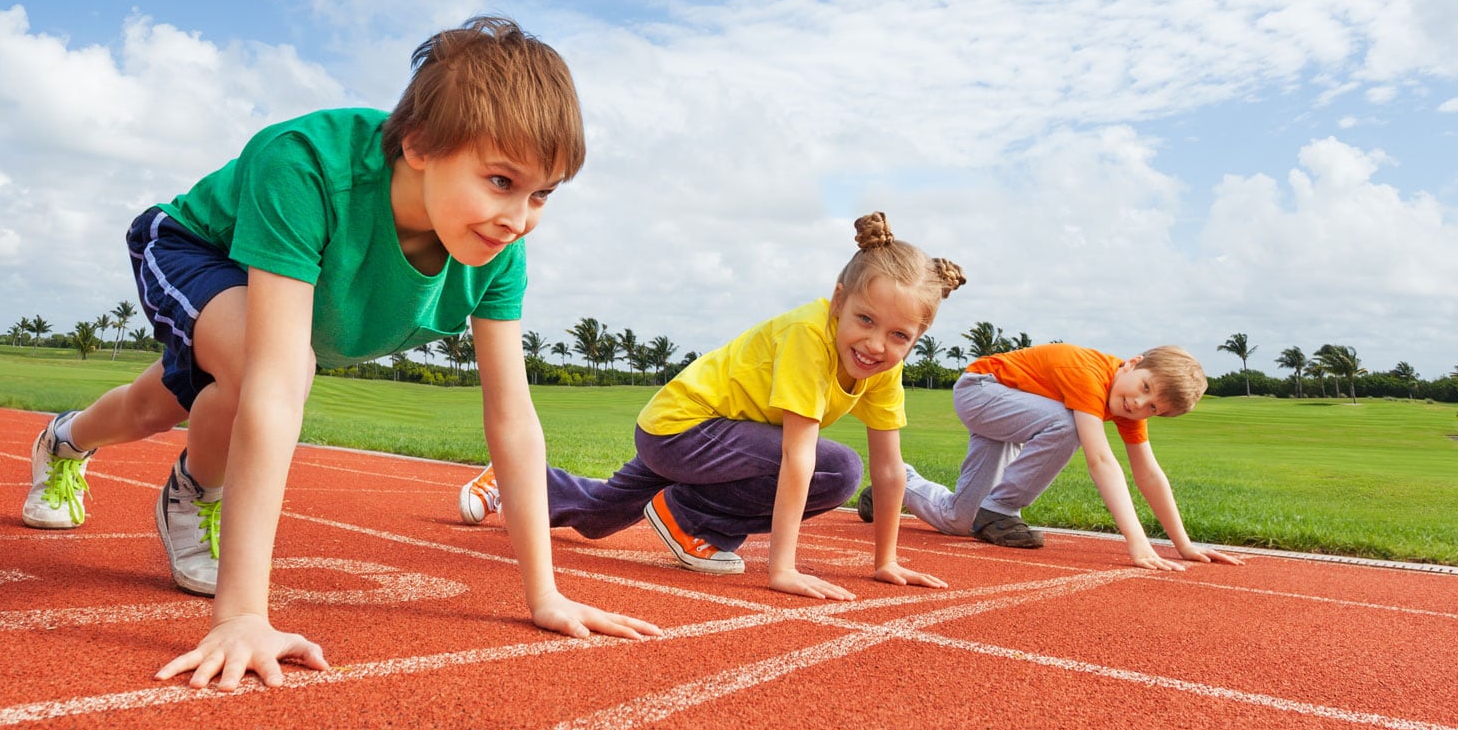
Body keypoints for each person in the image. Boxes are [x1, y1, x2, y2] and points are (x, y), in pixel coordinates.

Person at [20, 16, 660, 689]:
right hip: (194, 246)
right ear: (418, 145)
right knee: (274, 372)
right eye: (501, 180)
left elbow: (512, 419)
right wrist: (242, 615)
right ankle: (193, 496)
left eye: (542, 195)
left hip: (278, 319)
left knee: (154, 406)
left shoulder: (498, 250)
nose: (520, 217)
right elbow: (271, 384)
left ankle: (64, 441)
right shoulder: (303, 167)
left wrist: (545, 596)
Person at [459, 213, 964, 601]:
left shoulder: (883, 366)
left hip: (716, 440)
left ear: (917, 336)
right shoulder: (810, 335)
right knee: (838, 470)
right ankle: (690, 519)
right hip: (685, 429)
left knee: (599, 515)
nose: (876, 344)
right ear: (837, 302)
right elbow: (798, 456)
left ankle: (511, 479)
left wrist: (887, 560)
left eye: (899, 335)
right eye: (865, 319)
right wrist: (781, 569)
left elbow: (892, 469)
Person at [867, 343, 1244, 570]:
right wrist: (1137, 540)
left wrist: (1183, 544)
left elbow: (1148, 472)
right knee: (1068, 425)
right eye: (1144, 388)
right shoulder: (1089, 374)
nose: (1138, 404)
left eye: (1153, 409)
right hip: (982, 390)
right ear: (1132, 363)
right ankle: (1001, 509)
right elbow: (1101, 460)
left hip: (1015, 410)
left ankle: (893, 485)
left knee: (960, 520)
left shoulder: (1127, 406)